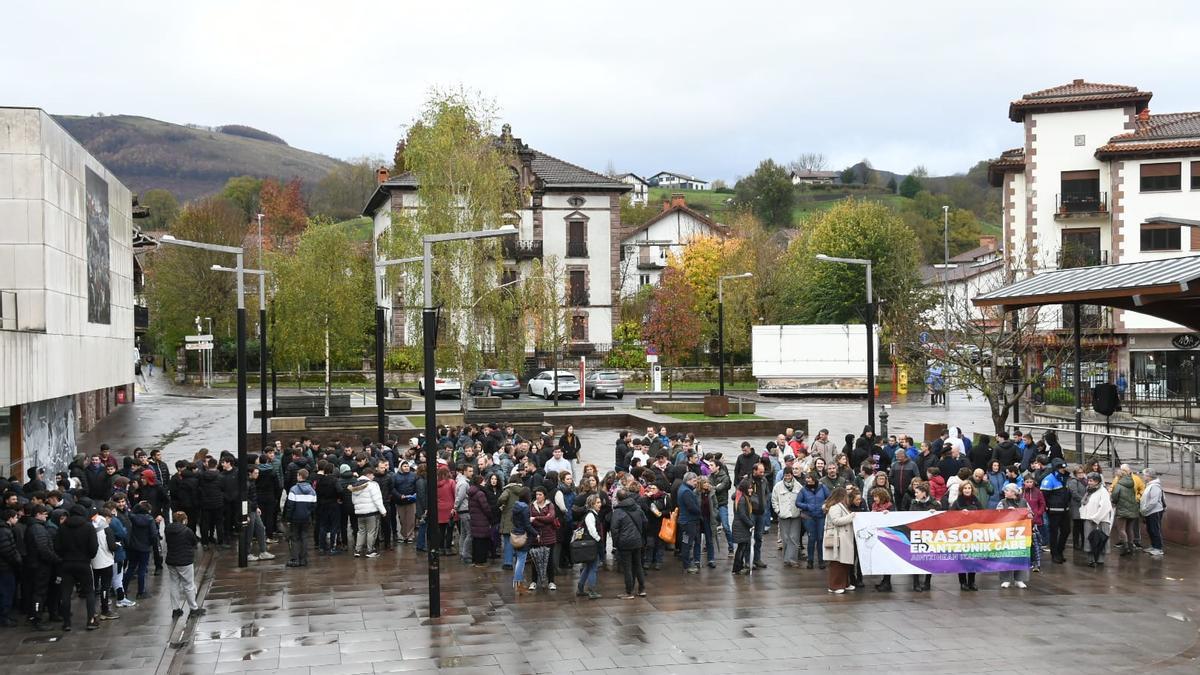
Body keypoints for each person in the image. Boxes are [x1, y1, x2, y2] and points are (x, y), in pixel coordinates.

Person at [55, 505, 99, 631]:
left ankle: (67, 622)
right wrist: (88, 557)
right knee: (89, 592)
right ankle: (91, 620)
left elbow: (57, 547)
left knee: (66, 593)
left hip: (67, 563)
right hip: (84, 563)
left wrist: (64, 556)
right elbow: (93, 547)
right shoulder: (88, 526)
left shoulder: (62, 527)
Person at [163, 511, 203, 619]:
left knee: (174, 584)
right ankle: (193, 608)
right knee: (188, 585)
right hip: (184, 561)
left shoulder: (167, 529)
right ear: (184, 520)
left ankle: (176, 609)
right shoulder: (187, 531)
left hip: (171, 560)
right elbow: (194, 542)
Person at [610, 489, 647, 598]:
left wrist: (616, 543)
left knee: (627, 567)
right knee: (638, 565)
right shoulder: (637, 508)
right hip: (637, 540)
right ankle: (642, 589)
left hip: (624, 542)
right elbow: (645, 522)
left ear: (617, 498)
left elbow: (614, 529)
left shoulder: (618, 512)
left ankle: (629, 591)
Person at [996, 484, 1031, 589]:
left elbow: (1030, 515)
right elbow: (996, 516)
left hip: (1021, 533)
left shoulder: (1023, 502)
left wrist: (1018, 512)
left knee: (1020, 555)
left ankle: (1019, 579)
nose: (1005, 492)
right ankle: (1006, 579)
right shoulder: (1002, 502)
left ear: (1014, 492)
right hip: (1006, 533)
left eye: (1007, 491)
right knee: (1006, 555)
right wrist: (1006, 512)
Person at [822, 487, 856, 593]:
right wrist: (851, 516)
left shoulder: (839, 506)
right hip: (838, 538)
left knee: (844, 562)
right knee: (837, 563)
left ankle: (844, 583)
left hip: (842, 537)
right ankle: (835, 586)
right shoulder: (835, 507)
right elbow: (836, 521)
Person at [950, 482, 981, 591]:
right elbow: (950, 517)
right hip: (961, 534)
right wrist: (960, 514)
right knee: (962, 559)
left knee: (973, 559)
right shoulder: (957, 502)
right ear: (961, 490)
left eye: (969, 488)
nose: (967, 490)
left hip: (973, 534)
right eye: (965, 488)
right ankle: (963, 582)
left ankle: (972, 581)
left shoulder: (976, 501)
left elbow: (983, 515)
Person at [907, 483, 937, 591]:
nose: (915, 495)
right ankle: (916, 583)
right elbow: (911, 516)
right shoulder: (914, 503)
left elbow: (940, 517)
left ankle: (927, 582)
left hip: (930, 534)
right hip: (917, 534)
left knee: (929, 559)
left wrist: (934, 513)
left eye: (917, 492)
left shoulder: (934, 503)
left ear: (924, 493)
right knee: (916, 558)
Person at [283, 468, 317, 567]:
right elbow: (314, 506)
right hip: (306, 517)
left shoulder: (293, 489)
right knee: (304, 537)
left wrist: (288, 518)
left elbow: (290, 506)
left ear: (300, 476)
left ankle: (295, 559)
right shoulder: (312, 490)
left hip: (295, 517)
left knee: (295, 538)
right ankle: (303, 559)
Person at [350, 467, 386, 559]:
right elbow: (377, 499)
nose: (374, 476)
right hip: (371, 512)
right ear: (368, 474)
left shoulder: (355, 485)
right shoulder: (372, 485)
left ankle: (357, 550)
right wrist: (383, 511)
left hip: (359, 513)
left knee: (361, 531)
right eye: (373, 474)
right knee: (371, 532)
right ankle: (370, 550)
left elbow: (353, 501)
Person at [796, 472, 829, 570]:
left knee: (820, 538)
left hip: (821, 516)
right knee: (811, 538)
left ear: (814, 479)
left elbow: (829, 498)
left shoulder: (823, 488)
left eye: (809, 478)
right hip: (808, 517)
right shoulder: (803, 490)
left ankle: (821, 560)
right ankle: (810, 560)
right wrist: (807, 506)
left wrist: (825, 505)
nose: (807, 480)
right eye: (807, 478)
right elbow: (797, 503)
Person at [528, 486, 558, 592]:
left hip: (549, 536)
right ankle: (534, 581)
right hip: (536, 536)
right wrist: (543, 519)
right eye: (536, 494)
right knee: (535, 560)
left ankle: (551, 581)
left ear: (544, 495)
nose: (538, 496)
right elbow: (529, 519)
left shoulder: (550, 505)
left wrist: (536, 518)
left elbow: (551, 518)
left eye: (540, 494)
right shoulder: (532, 505)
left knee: (549, 560)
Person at [1080, 472, 1113, 567]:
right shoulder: (1089, 490)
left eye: (1091, 481)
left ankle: (1100, 560)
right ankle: (1091, 559)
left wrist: (1096, 518)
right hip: (1088, 519)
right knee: (1089, 539)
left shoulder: (1103, 491)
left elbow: (1105, 507)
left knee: (1100, 540)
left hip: (1100, 521)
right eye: (1088, 480)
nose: (1089, 482)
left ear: (1097, 481)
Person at [772, 467, 803, 567]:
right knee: (785, 538)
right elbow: (774, 500)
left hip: (795, 514)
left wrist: (800, 510)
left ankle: (792, 560)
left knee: (794, 537)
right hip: (783, 515)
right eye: (785, 475)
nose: (787, 477)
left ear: (792, 475)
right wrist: (778, 511)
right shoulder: (778, 486)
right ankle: (786, 559)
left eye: (789, 475)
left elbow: (802, 499)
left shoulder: (798, 486)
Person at [574, 494, 602, 599]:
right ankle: (592, 591)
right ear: (592, 504)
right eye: (597, 503)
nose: (600, 505)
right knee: (593, 568)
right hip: (592, 545)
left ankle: (580, 588)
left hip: (589, 545)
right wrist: (599, 539)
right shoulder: (590, 515)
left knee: (588, 567)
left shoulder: (590, 514)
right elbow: (592, 530)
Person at [1110, 466, 1141, 557]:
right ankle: (1131, 547)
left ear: (1119, 476)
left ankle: (1126, 547)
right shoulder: (1131, 483)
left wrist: (1114, 502)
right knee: (1129, 529)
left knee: (1121, 529)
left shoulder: (1119, 485)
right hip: (1133, 509)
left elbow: (1114, 497)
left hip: (1122, 510)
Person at [0, 509, 23, 627]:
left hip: (5, 566)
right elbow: (7, 550)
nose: (17, 519)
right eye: (16, 517)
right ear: (10, 518)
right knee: (6, 592)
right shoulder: (4, 531)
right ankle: (4, 618)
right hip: (5, 567)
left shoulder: (6, 529)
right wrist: (17, 560)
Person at [676, 472, 701, 574]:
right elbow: (691, 507)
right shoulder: (686, 492)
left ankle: (686, 562)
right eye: (694, 481)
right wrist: (699, 511)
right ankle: (687, 565)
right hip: (688, 522)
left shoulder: (682, 488)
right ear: (688, 480)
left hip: (684, 521)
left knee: (685, 542)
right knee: (687, 543)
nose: (696, 483)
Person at [467, 473, 493, 567]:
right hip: (482, 520)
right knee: (482, 542)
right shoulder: (480, 493)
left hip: (474, 520)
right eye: (483, 481)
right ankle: (481, 561)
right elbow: (485, 507)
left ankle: (475, 560)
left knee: (476, 541)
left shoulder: (472, 492)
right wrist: (490, 516)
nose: (485, 483)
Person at [1139, 468, 1166, 557]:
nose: (1143, 477)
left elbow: (1153, 502)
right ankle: (1154, 546)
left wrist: (1145, 509)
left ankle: (1158, 548)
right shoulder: (1149, 484)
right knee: (1150, 529)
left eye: (1144, 475)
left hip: (1154, 511)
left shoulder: (1155, 486)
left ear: (1149, 476)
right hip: (1149, 511)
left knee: (1155, 529)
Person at [510, 488, 532, 593]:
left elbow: (512, 519)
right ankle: (518, 584)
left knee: (518, 559)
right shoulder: (525, 508)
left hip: (515, 533)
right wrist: (536, 533)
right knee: (521, 561)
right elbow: (527, 525)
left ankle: (518, 583)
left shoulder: (516, 506)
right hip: (522, 535)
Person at [731, 480, 754, 576]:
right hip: (741, 526)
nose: (751, 490)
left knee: (741, 547)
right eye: (749, 488)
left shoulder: (740, 496)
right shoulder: (742, 499)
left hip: (739, 525)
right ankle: (737, 568)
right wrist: (751, 524)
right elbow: (742, 515)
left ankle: (738, 567)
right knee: (741, 547)